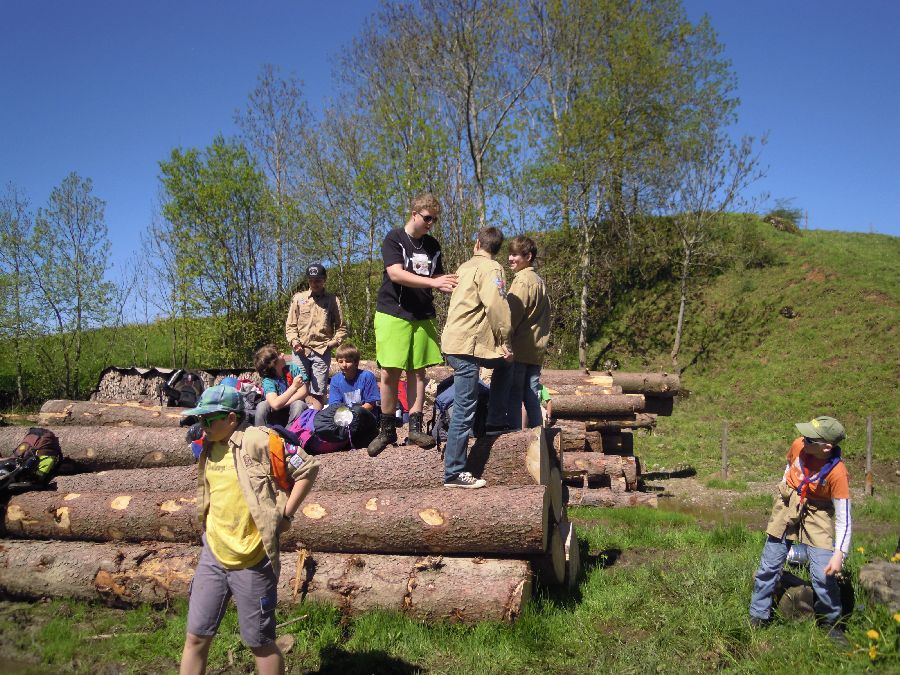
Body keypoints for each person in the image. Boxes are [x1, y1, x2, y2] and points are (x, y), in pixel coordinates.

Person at [178, 385, 318, 675]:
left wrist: (286, 515)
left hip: (253, 559)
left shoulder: (259, 440)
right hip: (214, 555)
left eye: (207, 419)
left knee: (260, 643)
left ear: (231, 418)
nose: (201, 425)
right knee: (196, 637)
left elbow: (307, 468)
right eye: (199, 419)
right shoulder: (208, 446)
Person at [367, 193, 458, 456]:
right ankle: (387, 429)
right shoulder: (394, 238)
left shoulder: (432, 245)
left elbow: (438, 277)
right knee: (390, 371)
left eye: (434, 220)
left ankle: (415, 427)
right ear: (414, 213)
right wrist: (433, 282)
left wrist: (455, 284)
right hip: (393, 312)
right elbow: (396, 273)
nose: (430, 223)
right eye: (427, 218)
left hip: (422, 314)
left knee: (418, 372)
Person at [748, 415, 852, 647]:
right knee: (769, 564)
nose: (804, 439)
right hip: (789, 503)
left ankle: (831, 623)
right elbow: (789, 468)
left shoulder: (838, 473)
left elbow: (844, 518)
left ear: (826, 447)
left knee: (823, 575)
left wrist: (839, 554)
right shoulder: (799, 445)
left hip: (818, 512)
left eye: (810, 438)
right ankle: (758, 615)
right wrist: (786, 491)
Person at [440, 226, 513, 488]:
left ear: (477, 244)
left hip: (457, 341)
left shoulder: (464, 267)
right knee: (464, 407)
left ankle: (494, 424)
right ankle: (454, 472)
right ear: (497, 249)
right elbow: (496, 305)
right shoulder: (492, 269)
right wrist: (505, 339)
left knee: (504, 365)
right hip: (466, 346)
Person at [491, 235, 551, 430]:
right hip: (536, 349)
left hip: (519, 349)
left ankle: (516, 436)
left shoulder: (523, 281)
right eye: (510, 254)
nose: (510, 258)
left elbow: (512, 316)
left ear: (528, 256)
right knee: (531, 395)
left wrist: (502, 341)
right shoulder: (539, 281)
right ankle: (539, 437)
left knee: (514, 396)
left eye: (515, 255)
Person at [285, 263, 347, 405]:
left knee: (318, 392)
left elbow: (342, 328)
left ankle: (316, 418)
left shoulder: (332, 300)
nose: (315, 284)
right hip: (300, 351)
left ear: (324, 280)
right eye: (311, 280)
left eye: (318, 280)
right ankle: (299, 418)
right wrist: (294, 341)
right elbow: (290, 325)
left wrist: (332, 343)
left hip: (322, 351)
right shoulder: (298, 298)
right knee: (298, 388)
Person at [253, 345, 315, 428]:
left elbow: (303, 392)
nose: (282, 354)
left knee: (299, 404)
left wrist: (282, 404)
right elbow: (275, 404)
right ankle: (260, 433)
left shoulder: (292, 368)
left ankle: (290, 433)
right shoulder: (268, 380)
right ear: (273, 364)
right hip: (275, 416)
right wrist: (294, 386)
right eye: (279, 354)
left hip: (293, 410)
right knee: (262, 406)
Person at [328, 343, 380, 411]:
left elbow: (370, 404)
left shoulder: (367, 376)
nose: (344, 365)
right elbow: (334, 405)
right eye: (340, 362)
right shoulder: (335, 380)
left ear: (356, 362)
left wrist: (353, 413)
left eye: (348, 361)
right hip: (344, 415)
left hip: (366, 414)